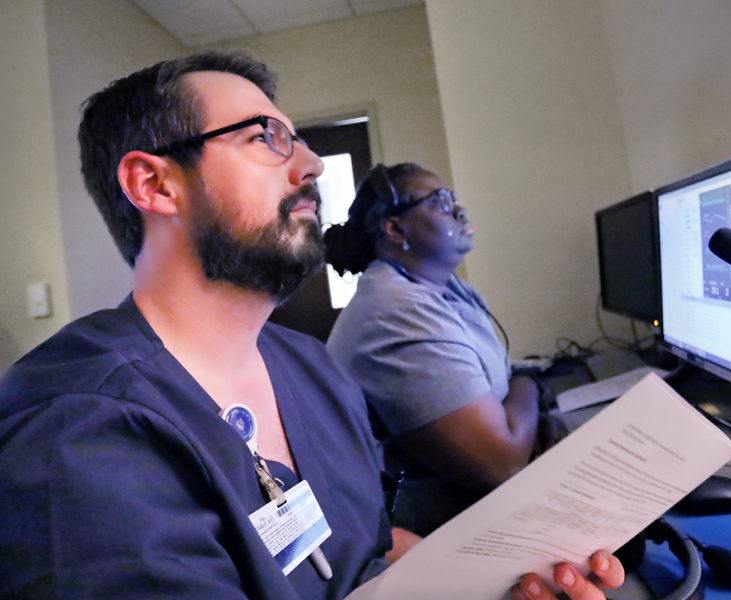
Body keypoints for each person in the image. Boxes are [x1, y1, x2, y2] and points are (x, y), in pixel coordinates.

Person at [0, 51, 623, 600]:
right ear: (154, 183)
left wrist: (499, 580)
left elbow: (373, 550)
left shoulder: (311, 366)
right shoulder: (79, 436)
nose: (313, 164)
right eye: (265, 137)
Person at [325, 163, 565, 537]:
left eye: (453, 198)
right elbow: (503, 463)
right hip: (431, 529)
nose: (459, 210)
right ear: (394, 228)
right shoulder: (395, 311)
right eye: (439, 201)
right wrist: (529, 382)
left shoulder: (448, 289)